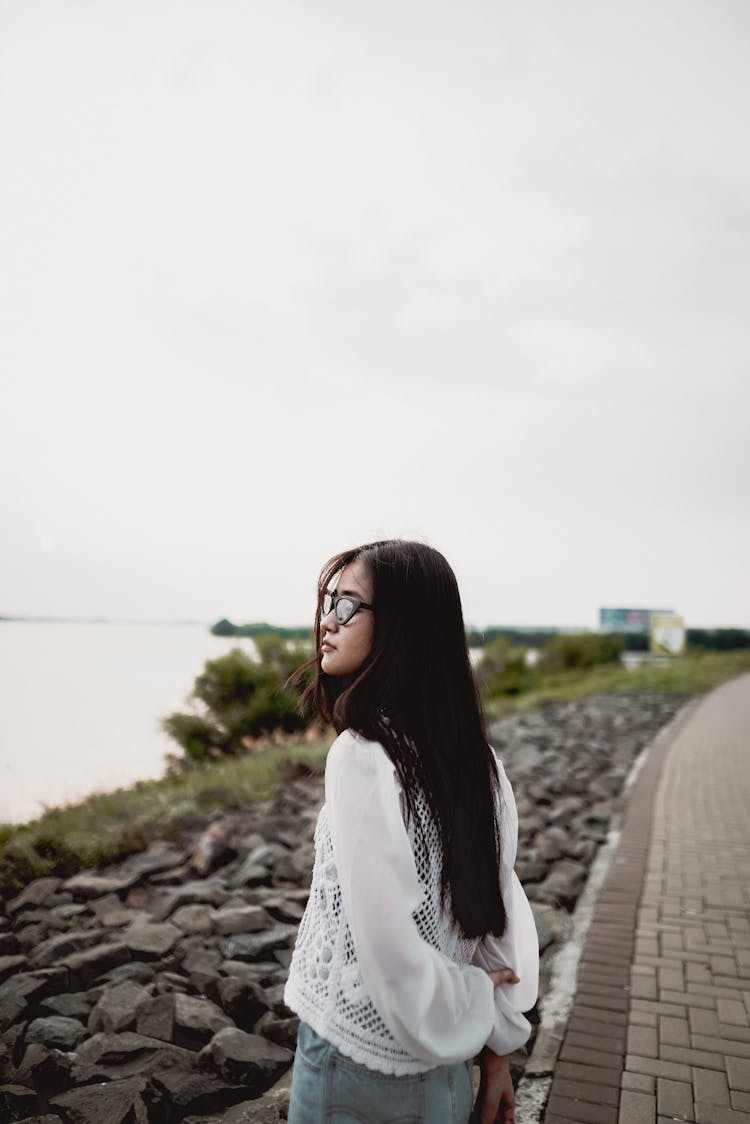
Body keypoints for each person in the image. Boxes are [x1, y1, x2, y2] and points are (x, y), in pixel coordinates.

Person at [284, 540, 538, 1124]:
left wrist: (472, 1005)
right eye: (328, 601)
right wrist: (495, 1045)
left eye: (348, 605)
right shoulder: (479, 763)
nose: (328, 620)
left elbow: (389, 949)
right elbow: (496, 915)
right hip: (447, 1067)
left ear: (403, 626)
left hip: (353, 1063)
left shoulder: (361, 756)